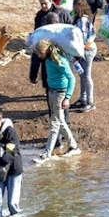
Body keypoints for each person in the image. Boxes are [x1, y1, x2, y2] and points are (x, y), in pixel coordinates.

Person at [32, 39, 80, 163]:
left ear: (46, 50)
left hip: (60, 94)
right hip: (51, 91)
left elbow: (72, 79)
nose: (38, 55)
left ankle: (47, 154)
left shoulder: (60, 61)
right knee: (60, 121)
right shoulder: (47, 59)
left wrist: (67, 97)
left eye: (39, 53)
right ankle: (74, 146)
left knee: (55, 123)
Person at [30, 9, 67, 150]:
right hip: (63, 80)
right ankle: (63, 138)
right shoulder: (64, 37)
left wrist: (33, 75)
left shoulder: (41, 37)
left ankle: (57, 140)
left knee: (53, 110)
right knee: (63, 109)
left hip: (50, 79)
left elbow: (35, 58)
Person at [71, 0, 97, 112]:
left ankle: (90, 102)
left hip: (87, 50)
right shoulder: (84, 19)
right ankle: (83, 99)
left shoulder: (82, 20)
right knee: (82, 75)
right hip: (85, 49)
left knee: (86, 76)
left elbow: (82, 38)